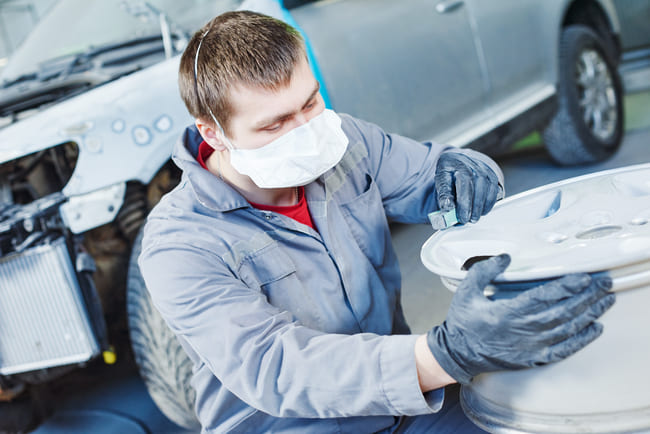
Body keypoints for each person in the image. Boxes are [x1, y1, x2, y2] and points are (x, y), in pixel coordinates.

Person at [138, 10, 615, 433]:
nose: (306, 133)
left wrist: (469, 169)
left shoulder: (343, 141)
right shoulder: (180, 244)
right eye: (274, 124)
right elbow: (276, 368)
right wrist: (447, 354)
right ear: (213, 133)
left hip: (405, 405)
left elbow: (435, 172)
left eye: (309, 102)